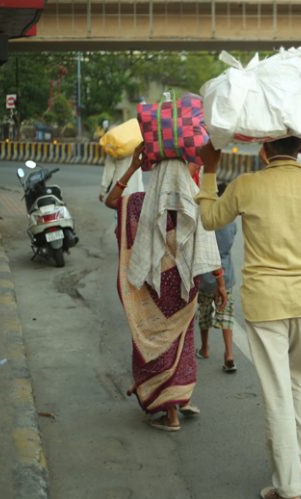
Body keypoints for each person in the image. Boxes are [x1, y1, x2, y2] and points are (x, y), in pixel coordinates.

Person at [196, 137, 301, 499]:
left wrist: (209, 170)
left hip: (264, 303)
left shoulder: (246, 185)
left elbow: (209, 219)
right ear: (300, 148)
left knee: (277, 391)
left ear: (264, 151)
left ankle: (287, 484)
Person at [104, 143, 225, 432]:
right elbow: (208, 244)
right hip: (184, 288)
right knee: (180, 346)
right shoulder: (194, 203)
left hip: (153, 290)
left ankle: (170, 413)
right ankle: (180, 398)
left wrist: (133, 166)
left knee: (155, 346)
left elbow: (111, 202)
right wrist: (220, 282)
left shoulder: (141, 204)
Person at [196, 182, 238, 373]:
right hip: (226, 273)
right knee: (226, 314)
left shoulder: (206, 220)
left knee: (204, 313)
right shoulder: (231, 222)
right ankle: (229, 354)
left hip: (205, 274)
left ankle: (205, 348)